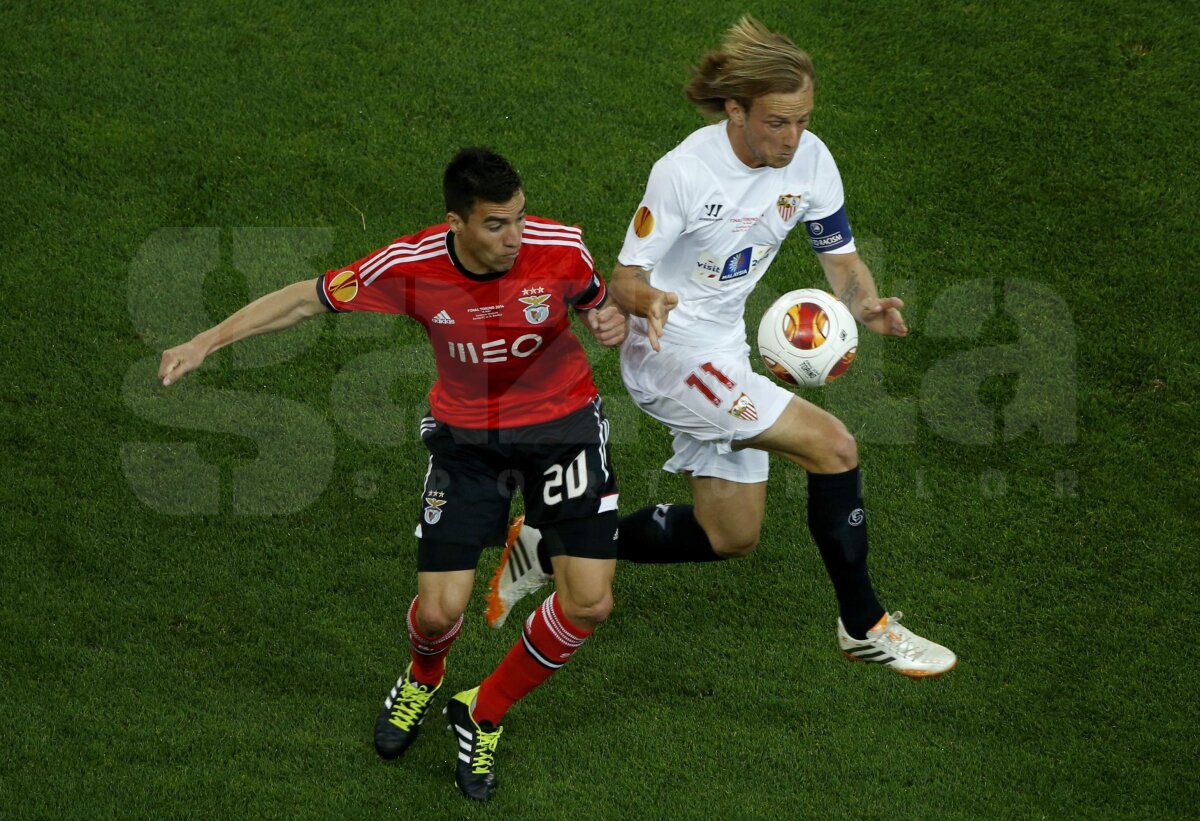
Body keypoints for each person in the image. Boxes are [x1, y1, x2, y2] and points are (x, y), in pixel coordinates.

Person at [487, 17, 955, 678]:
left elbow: (841, 260)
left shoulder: (812, 161)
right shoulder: (683, 173)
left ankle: (550, 540)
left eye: (802, 120)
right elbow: (626, 275)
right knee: (835, 444)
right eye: (777, 123)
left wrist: (865, 303)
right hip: (668, 352)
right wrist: (646, 300)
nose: (793, 138)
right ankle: (863, 623)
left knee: (729, 534)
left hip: (724, 347)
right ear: (736, 110)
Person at [158, 148, 627, 801]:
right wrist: (205, 340)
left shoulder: (561, 246)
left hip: (564, 427)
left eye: (519, 218)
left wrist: (609, 319)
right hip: (468, 441)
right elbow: (306, 300)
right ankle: (424, 674)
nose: (514, 238)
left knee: (590, 600)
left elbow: (600, 303)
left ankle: (482, 709)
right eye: (495, 225)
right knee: (437, 613)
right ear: (455, 222)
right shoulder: (409, 265)